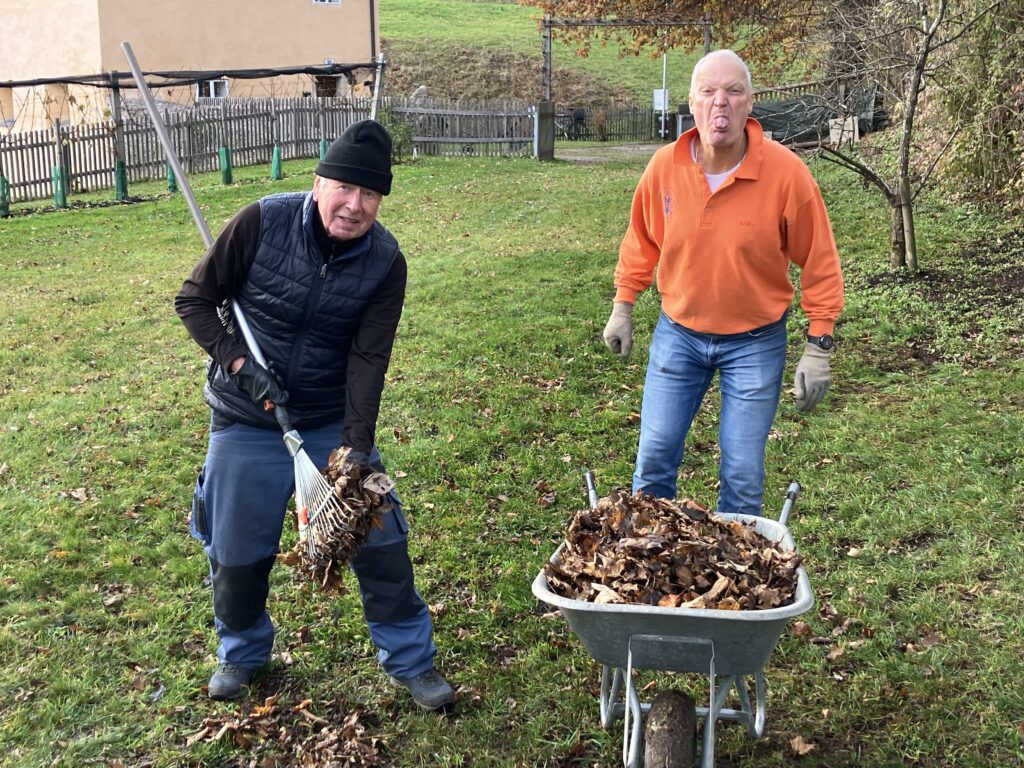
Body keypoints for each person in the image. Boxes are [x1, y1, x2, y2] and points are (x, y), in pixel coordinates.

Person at [175, 119, 454, 710]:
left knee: (382, 536)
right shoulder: (260, 222)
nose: (354, 205)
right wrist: (238, 364)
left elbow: (369, 359)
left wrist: (355, 446)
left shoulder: (385, 261)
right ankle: (241, 652)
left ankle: (412, 660)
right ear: (319, 182)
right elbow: (194, 300)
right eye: (345, 188)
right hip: (247, 418)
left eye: (370, 194)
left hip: (330, 419)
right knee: (235, 549)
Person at [602, 49, 844, 514]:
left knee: (742, 476)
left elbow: (820, 260)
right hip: (679, 335)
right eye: (708, 92)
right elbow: (641, 240)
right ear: (691, 103)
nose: (721, 102)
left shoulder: (786, 174)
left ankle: (735, 561)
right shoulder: (664, 168)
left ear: (750, 103)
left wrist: (819, 346)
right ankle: (650, 556)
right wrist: (623, 304)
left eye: (733, 91)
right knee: (653, 461)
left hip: (755, 343)